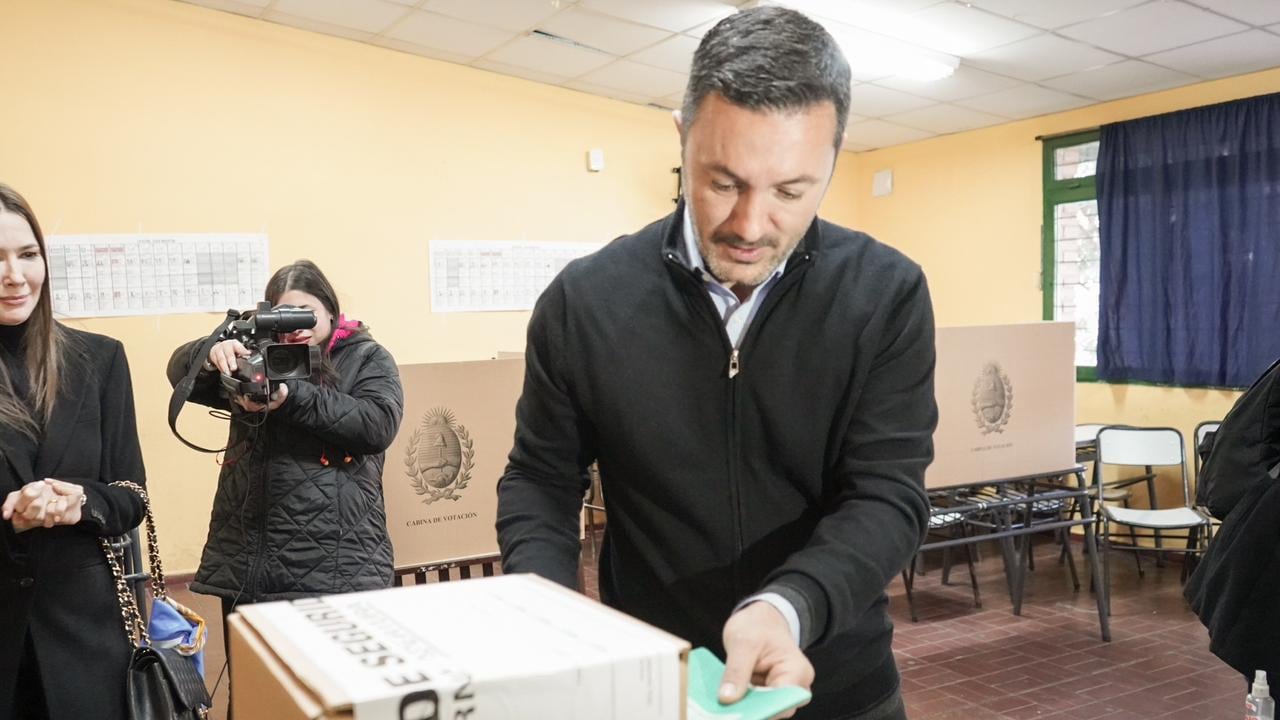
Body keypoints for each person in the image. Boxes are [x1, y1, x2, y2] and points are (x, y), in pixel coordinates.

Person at [496, 7, 936, 719]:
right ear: (682, 133)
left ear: (834, 157)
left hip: (835, 682)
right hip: (660, 686)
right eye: (723, 182)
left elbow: (886, 494)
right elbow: (542, 479)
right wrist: (550, 615)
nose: (752, 224)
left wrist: (787, 608)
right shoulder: (585, 301)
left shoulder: (884, 295)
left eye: (792, 191)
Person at [167, 259, 403, 647]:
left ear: (330, 310)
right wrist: (212, 352)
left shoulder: (367, 358)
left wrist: (292, 397)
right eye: (282, 316)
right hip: (250, 566)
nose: (294, 327)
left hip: (335, 567)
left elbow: (376, 426)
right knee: (256, 694)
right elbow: (180, 373)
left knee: (330, 696)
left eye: (305, 315)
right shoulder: (251, 358)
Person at [0, 182, 148, 719]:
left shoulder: (100, 360)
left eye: (28, 254)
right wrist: (14, 521)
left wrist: (80, 503)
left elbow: (132, 496)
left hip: (87, 639)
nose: (15, 277)